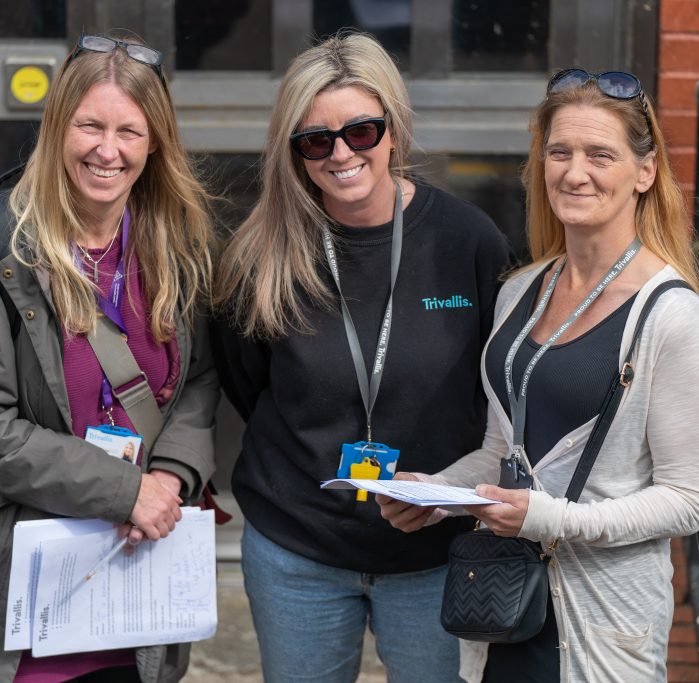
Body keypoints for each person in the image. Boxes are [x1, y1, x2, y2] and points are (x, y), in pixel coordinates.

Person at [379, 68, 699, 683]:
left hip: (601, 624)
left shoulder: (671, 314)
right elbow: (502, 451)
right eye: (559, 152)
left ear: (644, 172)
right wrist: (436, 495)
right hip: (504, 604)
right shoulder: (522, 292)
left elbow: (687, 502)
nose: (574, 171)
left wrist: (549, 519)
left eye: (600, 154)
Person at [0, 33, 218, 683]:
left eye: (129, 131)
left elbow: (197, 379)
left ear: (154, 142)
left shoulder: (175, 247)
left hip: (132, 599)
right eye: (90, 125)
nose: (108, 150)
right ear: (57, 128)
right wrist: (126, 489)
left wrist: (170, 478)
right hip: (11, 611)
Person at [211, 32, 513, 683]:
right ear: (293, 152)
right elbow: (247, 384)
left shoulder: (469, 242)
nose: (341, 153)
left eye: (361, 131)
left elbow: (501, 396)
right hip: (299, 551)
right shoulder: (260, 256)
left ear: (394, 130)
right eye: (316, 140)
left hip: (438, 552)